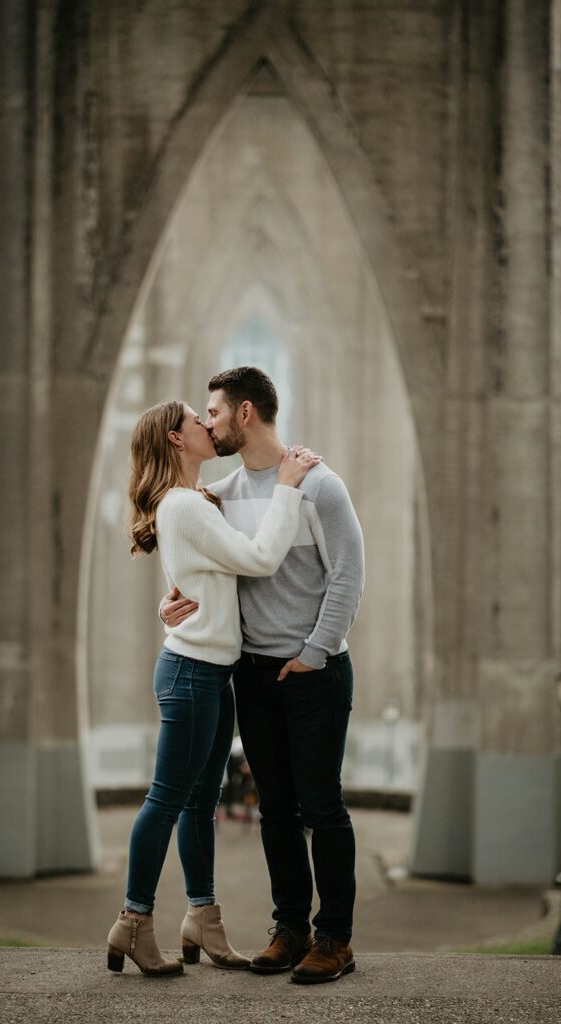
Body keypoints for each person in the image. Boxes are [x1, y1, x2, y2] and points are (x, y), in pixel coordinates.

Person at [161, 367, 364, 984]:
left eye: (214, 411)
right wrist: (168, 601)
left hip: (314, 672)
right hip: (251, 674)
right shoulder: (217, 494)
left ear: (245, 413)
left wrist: (315, 651)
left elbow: (348, 576)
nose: (208, 422)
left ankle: (335, 939)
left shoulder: (320, 486)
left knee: (322, 805)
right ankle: (291, 929)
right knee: (276, 809)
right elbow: (199, 564)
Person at [106, 399, 320, 978]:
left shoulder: (198, 501)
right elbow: (259, 557)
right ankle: (134, 921)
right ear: (177, 440)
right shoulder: (183, 505)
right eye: (196, 420)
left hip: (210, 671)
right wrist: (290, 486)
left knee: (199, 806)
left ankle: (202, 917)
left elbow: (195, 581)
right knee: (167, 799)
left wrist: (168, 604)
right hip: (193, 672)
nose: (208, 424)